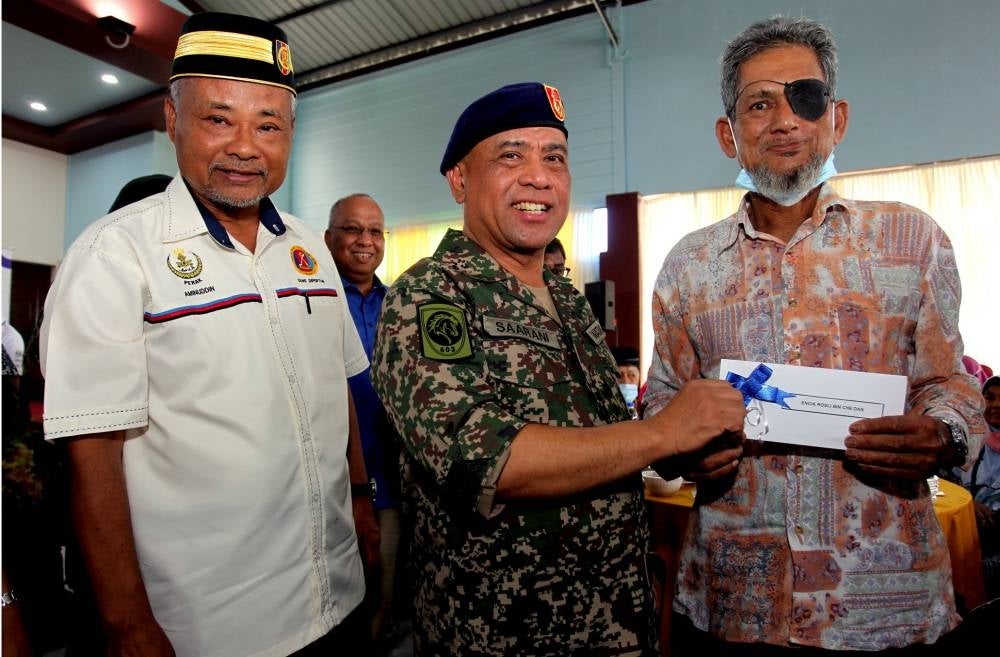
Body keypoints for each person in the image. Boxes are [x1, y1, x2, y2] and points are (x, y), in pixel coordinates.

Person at [644, 16, 986, 654]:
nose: (785, 121)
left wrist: (943, 434)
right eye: (759, 103)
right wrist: (679, 448)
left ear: (838, 118)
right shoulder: (688, 265)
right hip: (734, 604)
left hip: (883, 603)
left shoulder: (912, 240)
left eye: (806, 97)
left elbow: (949, 383)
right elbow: (661, 398)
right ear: (728, 133)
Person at [40, 12, 376, 657]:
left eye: (268, 125)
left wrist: (361, 499)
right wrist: (127, 624)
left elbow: (338, 388)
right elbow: (93, 452)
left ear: (291, 133)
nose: (245, 147)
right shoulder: (115, 255)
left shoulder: (309, 245)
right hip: (211, 627)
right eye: (219, 119)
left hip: (338, 595)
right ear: (173, 121)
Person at [370, 81, 746, 656]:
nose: (539, 177)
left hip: (615, 619)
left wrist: (681, 451)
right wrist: (662, 433)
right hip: (507, 636)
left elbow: (601, 436)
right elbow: (484, 459)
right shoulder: (430, 295)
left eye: (555, 158)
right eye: (511, 156)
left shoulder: (566, 299)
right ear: (459, 180)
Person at [324, 193, 404, 648]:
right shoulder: (313, 301)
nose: (365, 241)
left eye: (375, 231)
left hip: (389, 479)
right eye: (353, 229)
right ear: (328, 238)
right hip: (329, 481)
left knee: (382, 595)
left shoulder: (400, 306)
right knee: (334, 605)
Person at [961, 375, 1000, 599]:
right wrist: (966, 502)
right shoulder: (966, 436)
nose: (996, 405)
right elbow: (935, 481)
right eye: (990, 398)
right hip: (966, 523)